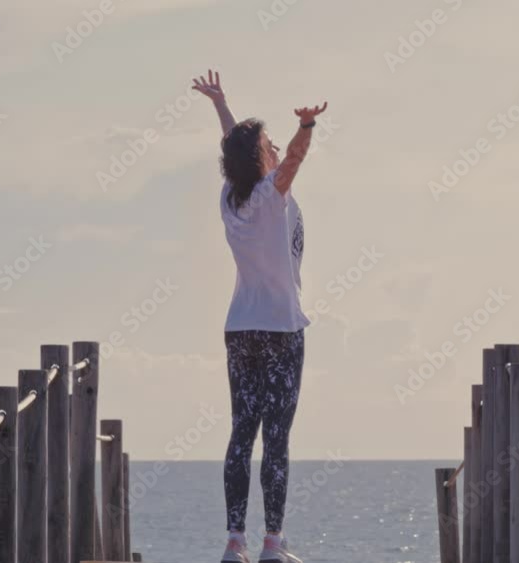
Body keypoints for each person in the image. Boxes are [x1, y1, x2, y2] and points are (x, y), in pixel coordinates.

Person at [192, 69, 328, 563]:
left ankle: (235, 542)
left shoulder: (231, 198)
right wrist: (306, 126)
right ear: (262, 157)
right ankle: (272, 542)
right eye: (269, 144)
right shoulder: (272, 195)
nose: (275, 147)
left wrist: (221, 104)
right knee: (276, 437)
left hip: (241, 330)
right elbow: (293, 158)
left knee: (241, 432)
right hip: (281, 330)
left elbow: (236, 146)